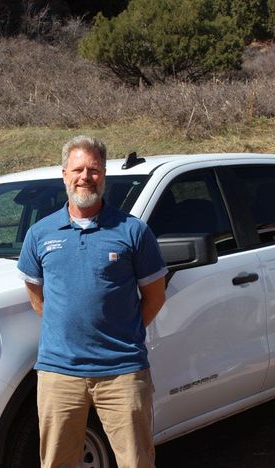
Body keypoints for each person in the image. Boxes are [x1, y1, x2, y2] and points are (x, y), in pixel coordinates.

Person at [17, 135, 168, 468]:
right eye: (78, 169)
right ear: (64, 175)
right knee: (56, 462)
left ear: (104, 175)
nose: (85, 177)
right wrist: (67, 329)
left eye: (94, 170)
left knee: (136, 462)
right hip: (59, 374)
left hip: (122, 372)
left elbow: (155, 296)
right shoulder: (41, 234)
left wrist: (121, 331)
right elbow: (36, 295)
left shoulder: (132, 231)